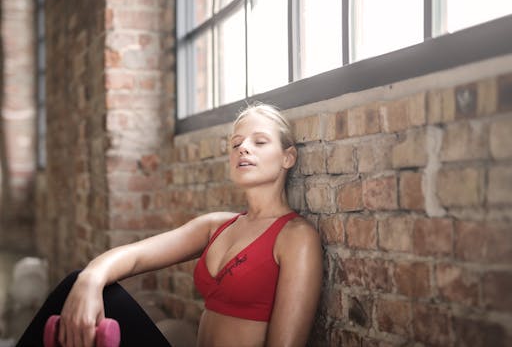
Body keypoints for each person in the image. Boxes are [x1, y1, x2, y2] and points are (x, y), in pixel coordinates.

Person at [17, 103, 323, 347]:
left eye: (259, 142)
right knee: (79, 284)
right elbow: (136, 256)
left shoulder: (295, 236)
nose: (243, 148)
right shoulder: (215, 226)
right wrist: (91, 279)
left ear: (288, 157)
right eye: (236, 143)